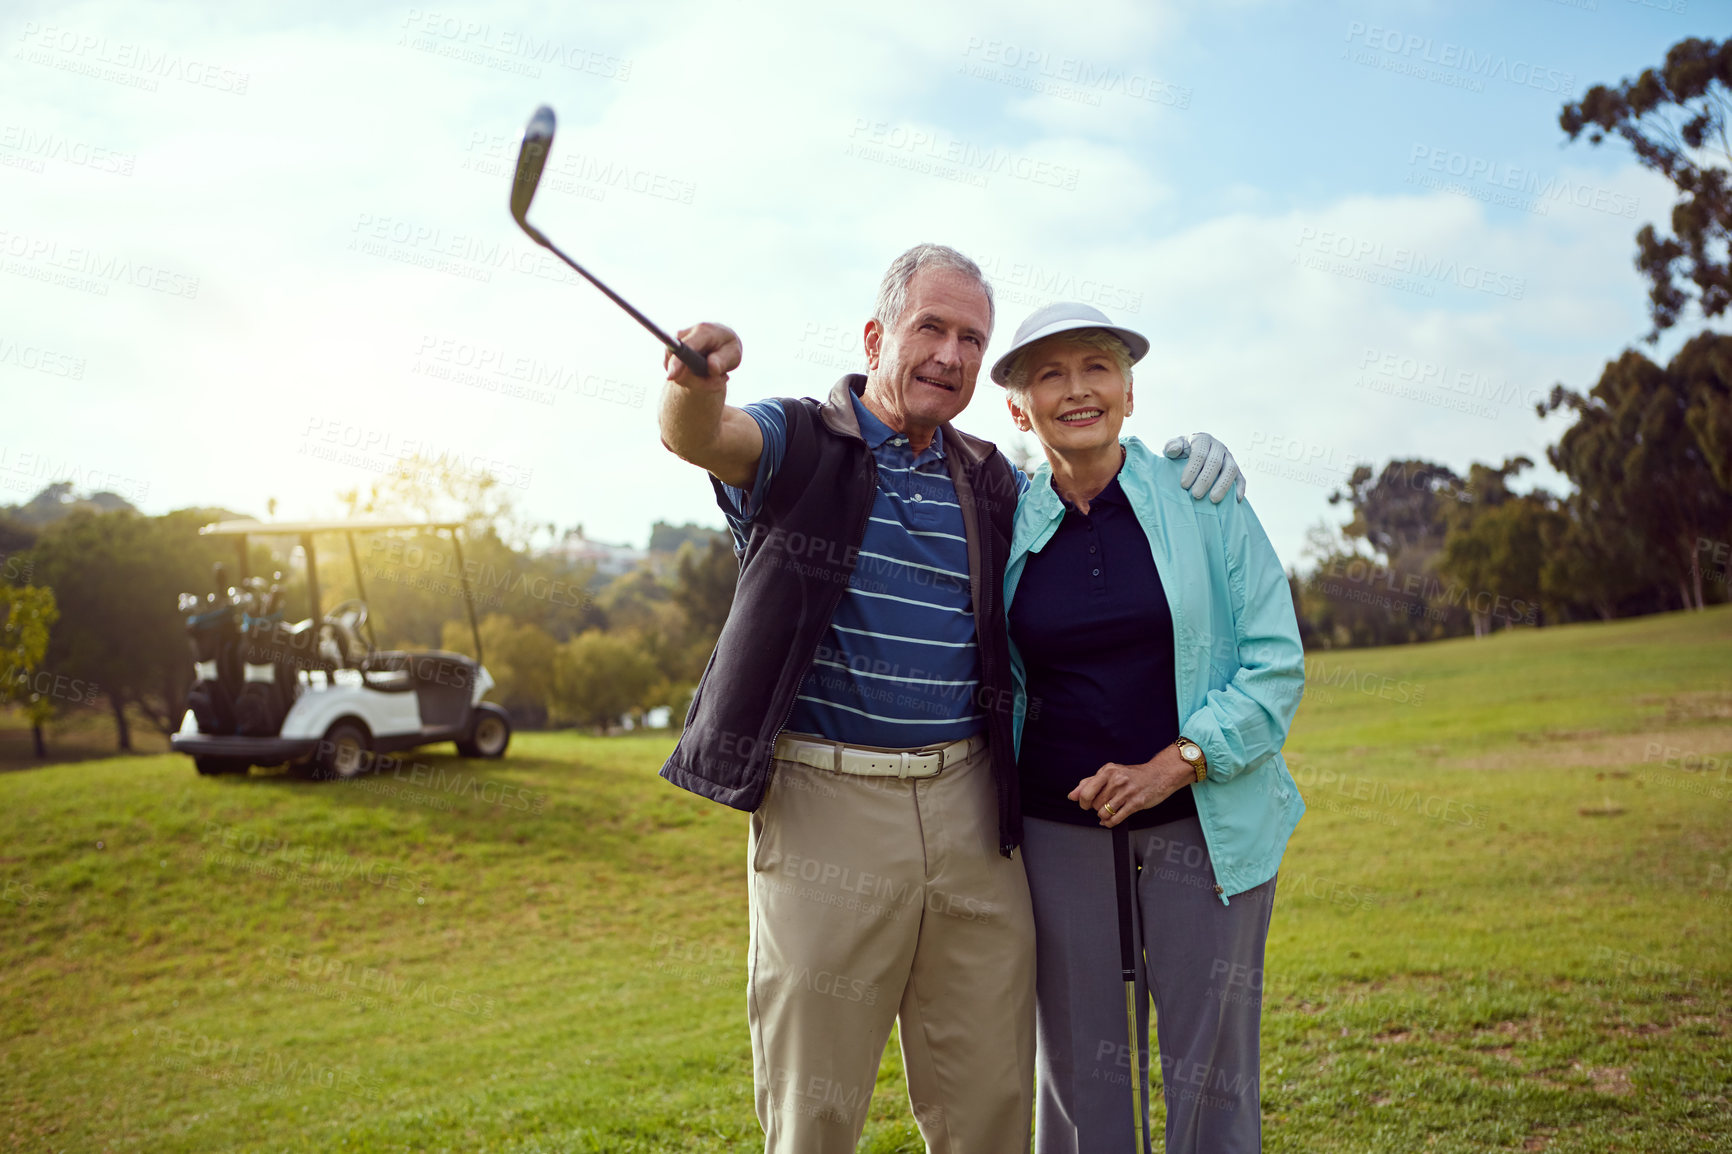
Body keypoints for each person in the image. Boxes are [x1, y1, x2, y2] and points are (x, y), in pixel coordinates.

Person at [655, 246, 1246, 1153]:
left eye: (971, 337)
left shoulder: (988, 476)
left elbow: (1089, 481)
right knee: (815, 1108)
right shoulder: (801, 441)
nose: (950, 353)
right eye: (929, 327)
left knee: (991, 1104)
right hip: (829, 804)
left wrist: (1185, 461)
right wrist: (694, 384)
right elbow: (705, 436)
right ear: (876, 335)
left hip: (975, 810)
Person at [994, 301, 1305, 1154]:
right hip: (1059, 839)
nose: (1077, 390)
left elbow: (1276, 663)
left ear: (1129, 392)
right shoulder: (1003, 521)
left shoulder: (1204, 498)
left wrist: (1175, 763)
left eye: (1096, 367)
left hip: (1205, 827)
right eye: (1048, 375)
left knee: (1211, 1072)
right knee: (1082, 1079)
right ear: (1020, 410)